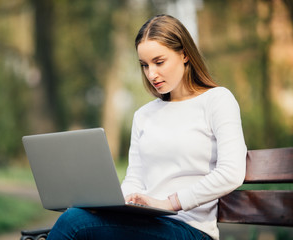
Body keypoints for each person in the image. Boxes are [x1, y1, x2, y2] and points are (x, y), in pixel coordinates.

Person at [47, 14, 246, 240]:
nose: (152, 74)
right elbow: (135, 180)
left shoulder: (217, 100)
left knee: (74, 224)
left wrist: (171, 203)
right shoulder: (143, 115)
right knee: (78, 216)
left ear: (185, 55)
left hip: (191, 229)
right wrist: (110, 205)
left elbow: (232, 172)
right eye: (144, 65)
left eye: (159, 62)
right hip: (146, 223)